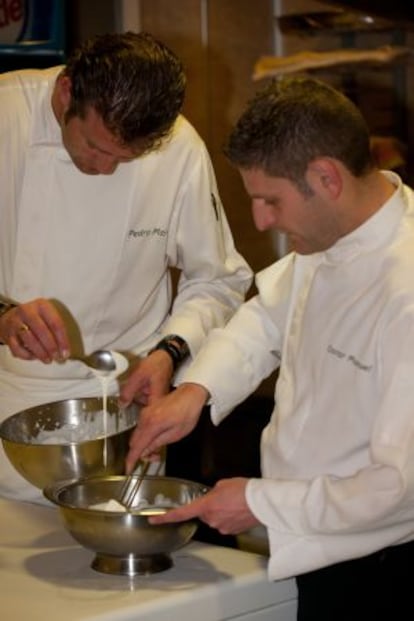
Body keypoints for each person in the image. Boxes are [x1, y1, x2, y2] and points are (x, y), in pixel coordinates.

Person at [125, 76, 414, 619]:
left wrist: (258, 501)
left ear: (326, 177)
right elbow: (267, 316)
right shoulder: (335, 235)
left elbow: (400, 488)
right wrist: (196, 389)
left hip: (382, 568)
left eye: (269, 201)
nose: (260, 222)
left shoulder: (407, 292)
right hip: (313, 537)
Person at [0, 31, 252, 503]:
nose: (106, 170)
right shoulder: (5, 113)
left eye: (126, 158)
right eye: (96, 147)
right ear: (66, 91)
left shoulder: (181, 148)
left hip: (121, 412)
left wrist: (169, 352)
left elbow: (217, 279)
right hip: (6, 403)